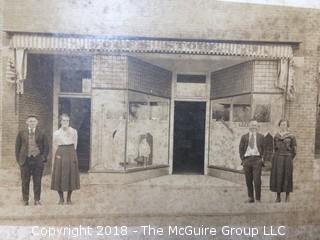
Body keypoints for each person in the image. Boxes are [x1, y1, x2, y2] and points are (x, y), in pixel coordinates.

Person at [15, 115, 49, 206]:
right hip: (25, 160)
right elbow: (17, 147)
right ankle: (25, 200)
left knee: (37, 180)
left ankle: (37, 200)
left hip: (37, 160)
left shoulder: (42, 133)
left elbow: (46, 147)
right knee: (25, 180)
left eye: (34, 121)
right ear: (27, 122)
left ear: (37, 122)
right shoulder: (21, 132)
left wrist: (43, 158)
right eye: (30, 121)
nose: (32, 123)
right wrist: (19, 160)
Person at [51, 114, 80, 205]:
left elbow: (75, 143)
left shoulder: (73, 131)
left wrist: (72, 154)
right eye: (63, 121)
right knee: (59, 174)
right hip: (60, 152)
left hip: (71, 152)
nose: (65, 122)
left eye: (67, 121)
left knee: (71, 175)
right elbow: (55, 144)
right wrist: (58, 154)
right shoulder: (56, 133)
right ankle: (61, 199)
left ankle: (69, 199)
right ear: (60, 122)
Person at [270, 119, 297, 202]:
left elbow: (294, 149)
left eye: (284, 124)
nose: (283, 126)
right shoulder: (276, 136)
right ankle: (278, 196)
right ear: (279, 126)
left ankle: (287, 196)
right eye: (281, 124)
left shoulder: (291, 136)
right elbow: (274, 148)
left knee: (287, 175)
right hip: (278, 158)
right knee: (278, 176)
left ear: (287, 126)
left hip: (287, 158)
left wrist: (289, 156)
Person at [239, 119, 264, 203]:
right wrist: (243, 159)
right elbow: (241, 149)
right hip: (247, 160)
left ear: (257, 127)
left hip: (257, 160)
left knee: (257, 180)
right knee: (248, 180)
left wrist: (262, 159)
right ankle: (251, 197)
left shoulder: (261, 137)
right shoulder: (244, 137)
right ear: (249, 126)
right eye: (252, 125)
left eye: (255, 125)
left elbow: (265, 149)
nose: (254, 127)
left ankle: (258, 198)